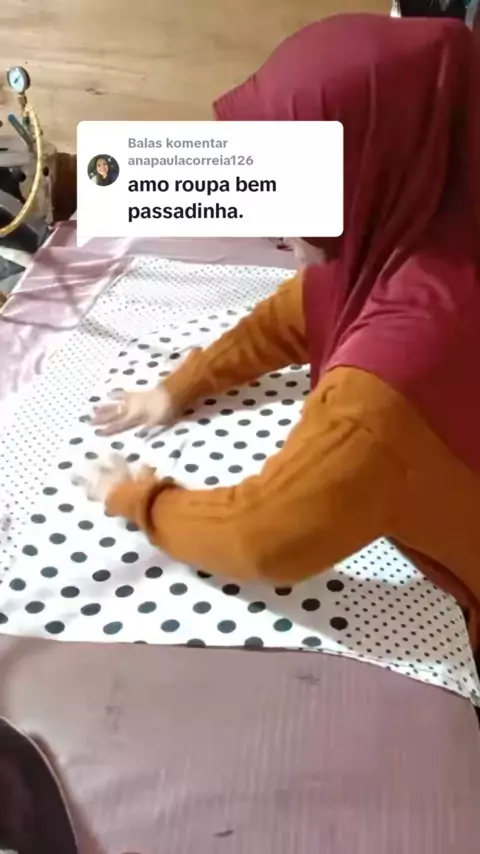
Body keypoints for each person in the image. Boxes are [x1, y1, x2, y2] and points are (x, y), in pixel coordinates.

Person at [82, 15, 480, 645]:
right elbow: (296, 313)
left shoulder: (386, 383)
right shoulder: (426, 231)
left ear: (364, 168)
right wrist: (182, 384)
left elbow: (266, 538)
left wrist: (137, 499)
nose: (271, 224)